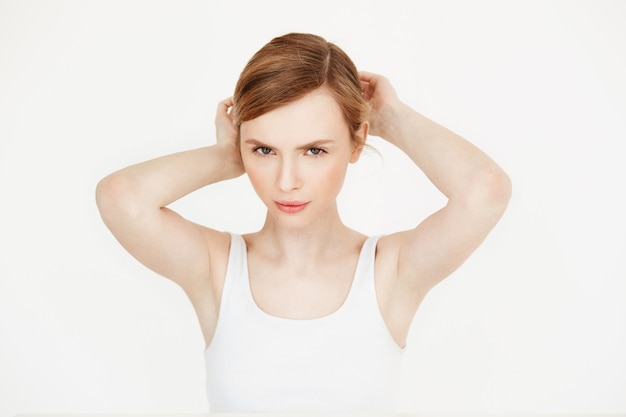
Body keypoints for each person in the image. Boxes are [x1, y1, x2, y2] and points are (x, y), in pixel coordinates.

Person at [96, 32, 511, 412]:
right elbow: (122, 197)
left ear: (357, 141)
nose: (287, 181)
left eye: (313, 151)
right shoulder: (217, 268)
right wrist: (226, 156)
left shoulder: (390, 271)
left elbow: (484, 191)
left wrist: (393, 118)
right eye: (264, 150)